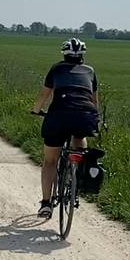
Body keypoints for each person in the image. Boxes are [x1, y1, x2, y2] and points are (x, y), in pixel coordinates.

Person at [30, 38, 99, 218]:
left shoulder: (56, 69)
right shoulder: (90, 71)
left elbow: (44, 94)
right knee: (79, 135)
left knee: (50, 162)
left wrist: (35, 110)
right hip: (85, 116)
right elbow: (94, 101)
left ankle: (46, 204)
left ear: (64, 54)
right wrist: (95, 120)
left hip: (58, 116)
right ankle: (77, 172)